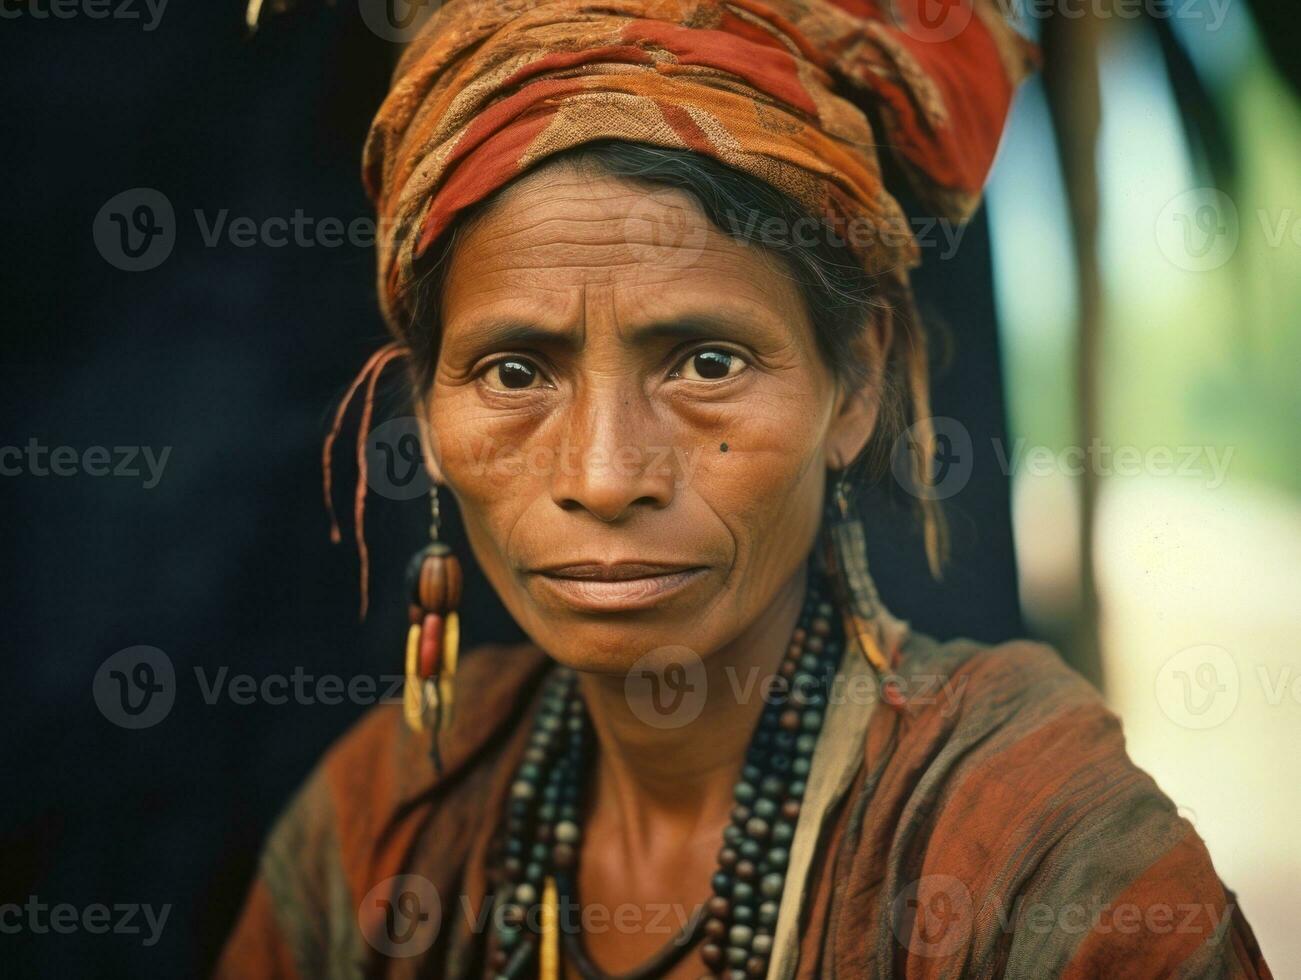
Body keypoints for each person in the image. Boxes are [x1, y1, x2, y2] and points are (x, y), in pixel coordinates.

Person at [218, 1, 1272, 976]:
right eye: (514, 372)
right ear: (427, 415)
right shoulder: (376, 826)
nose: (603, 474)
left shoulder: (1035, 850)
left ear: (853, 381)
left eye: (706, 363)